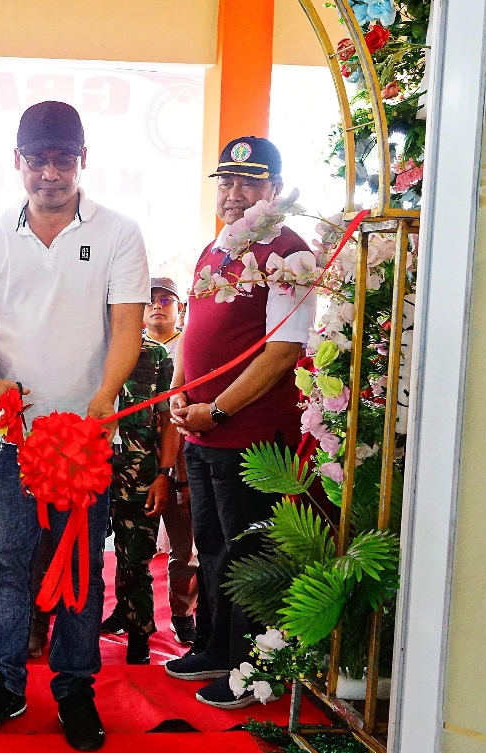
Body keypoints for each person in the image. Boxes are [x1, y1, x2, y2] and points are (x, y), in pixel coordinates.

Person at [0, 101, 150, 752]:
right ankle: (4, 681)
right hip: (15, 439)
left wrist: (105, 396)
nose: (49, 173)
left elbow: (127, 328)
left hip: (87, 439)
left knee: (81, 568)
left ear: (82, 160)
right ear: (17, 161)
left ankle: (74, 687)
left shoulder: (119, 232)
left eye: (62, 159)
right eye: (37, 159)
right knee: (7, 562)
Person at [164, 137, 314, 710]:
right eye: (226, 181)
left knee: (249, 552)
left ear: (274, 189)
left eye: (249, 183)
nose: (234, 193)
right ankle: (214, 647)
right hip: (202, 429)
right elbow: (192, 332)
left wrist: (219, 408)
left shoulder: (289, 253)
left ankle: (251, 668)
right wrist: (180, 392)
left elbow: (282, 353)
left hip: (248, 434)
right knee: (211, 544)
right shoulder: (216, 248)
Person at [105, 330, 178, 664]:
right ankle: (80, 636)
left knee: (135, 559)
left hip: (138, 476)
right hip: (86, 472)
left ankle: (138, 634)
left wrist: (165, 474)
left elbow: (168, 420)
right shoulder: (86, 345)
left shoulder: (155, 355)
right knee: (83, 559)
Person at [143, 278, 199, 647]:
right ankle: (132, 615)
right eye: (151, 300)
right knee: (133, 548)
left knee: (185, 551)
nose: (158, 306)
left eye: (167, 300)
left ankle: (183, 614)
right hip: (138, 466)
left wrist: (184, 475)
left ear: (180, 308)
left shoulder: (191, 348)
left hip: (183, 465)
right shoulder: (128, 350)